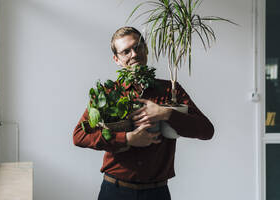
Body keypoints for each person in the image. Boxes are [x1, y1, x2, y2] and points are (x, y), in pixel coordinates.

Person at [73, 27, 214, 200]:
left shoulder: (171, 90)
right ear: (116, 59)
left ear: (146, 49)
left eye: (137, 47)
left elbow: (207, 131)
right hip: (115, 191)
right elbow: (79, 136)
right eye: (126, 51)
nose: (133, 54)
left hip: (157, 193)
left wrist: (166, 113)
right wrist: (126, 139)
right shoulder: (108, 92)